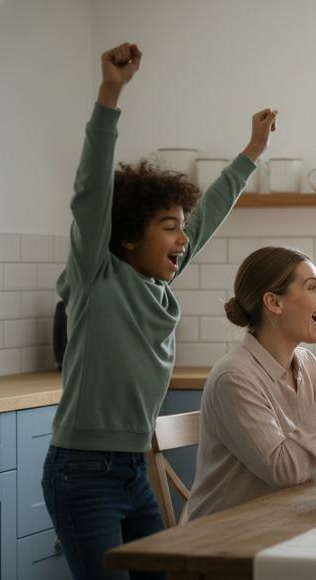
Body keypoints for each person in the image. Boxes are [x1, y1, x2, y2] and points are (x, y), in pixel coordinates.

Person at [42, 42, 276, 580]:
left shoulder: (157, 286)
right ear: (125, 238)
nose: (182, 237)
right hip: (82, 471)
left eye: (180, 226)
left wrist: (252, 151)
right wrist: (110, 93)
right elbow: (90, 192)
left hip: (133, 470)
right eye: (168, 227)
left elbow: (210, 212)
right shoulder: (98, 277)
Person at [187, 247, 316, 519]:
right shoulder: (233, 378)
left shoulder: (307, 364)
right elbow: (285, 472)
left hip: (285, 521)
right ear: (274, 303)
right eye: (312, 287)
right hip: (227, 535)